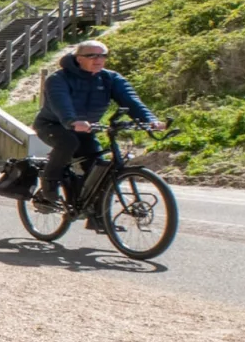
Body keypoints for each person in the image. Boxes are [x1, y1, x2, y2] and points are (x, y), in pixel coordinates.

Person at [32, 40, 164, 213]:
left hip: (86, 129)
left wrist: (150, 120)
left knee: (97, 169)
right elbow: (61, 103)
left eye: (102, 55)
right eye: (92, 55)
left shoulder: (111, 78)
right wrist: (72, 121)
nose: (98, 59)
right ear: (78, 58)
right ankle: (49, 183)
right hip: (52, 125)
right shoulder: (58, 79)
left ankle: (97, 217)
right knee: (69, 143)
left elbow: (131, 101)